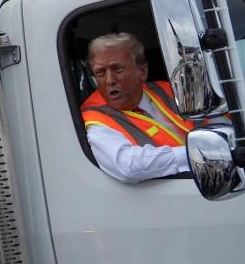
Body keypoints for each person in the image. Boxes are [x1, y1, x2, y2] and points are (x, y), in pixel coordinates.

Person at [81, 32, 195, 183]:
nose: (109, 80)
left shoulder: (169, 90)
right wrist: (197, 154)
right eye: (100, 73)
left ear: (142, 72)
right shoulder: (94, 117)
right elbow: (128, 165)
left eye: (118, 69)